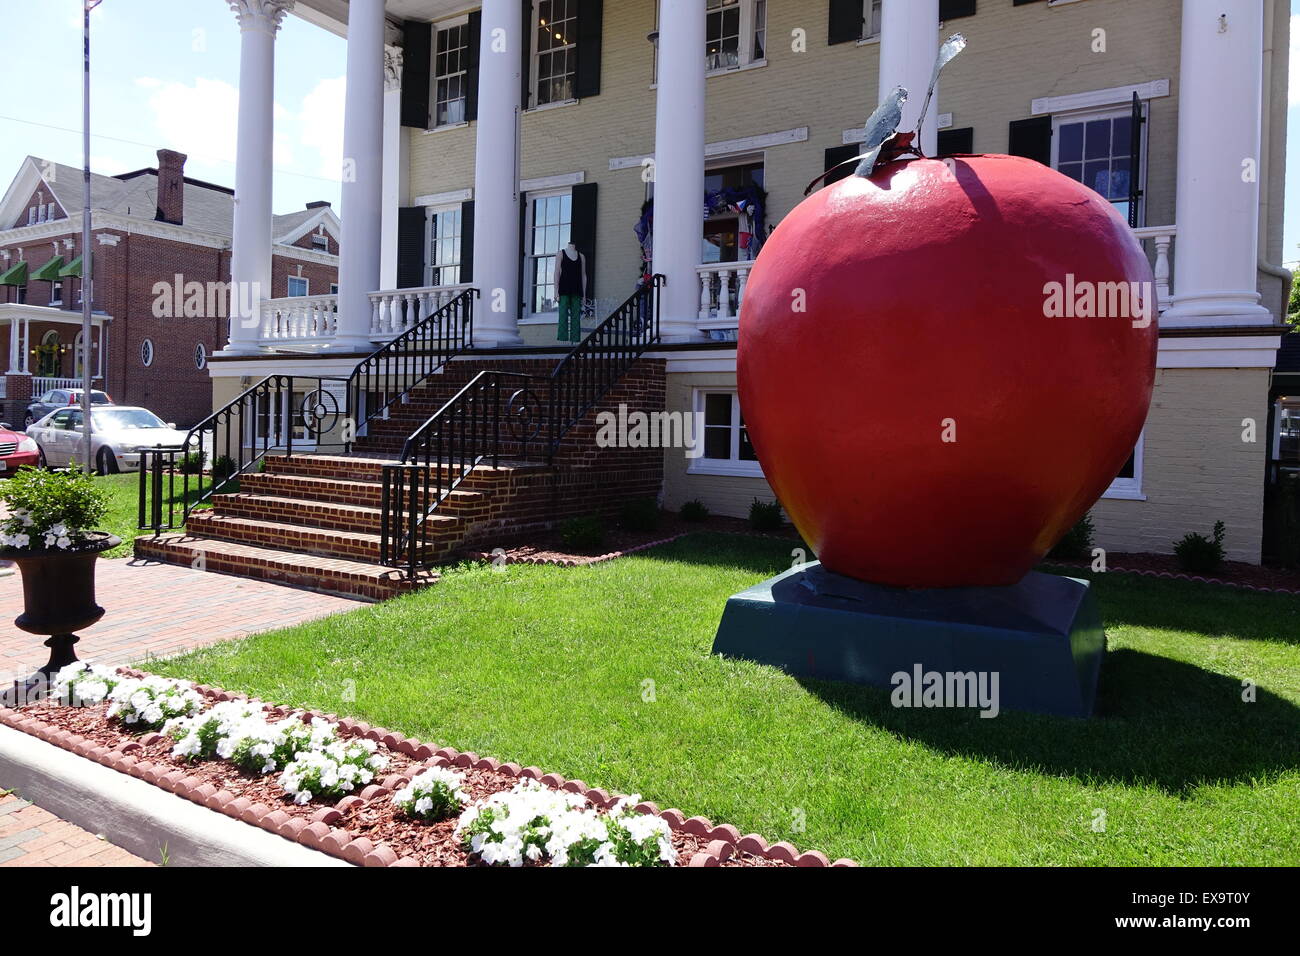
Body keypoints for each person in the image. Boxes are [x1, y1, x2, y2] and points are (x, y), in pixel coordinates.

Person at [554, 242, 587, 343]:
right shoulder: (561, 253)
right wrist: (556, 291)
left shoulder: (581, 256)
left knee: (576, 317)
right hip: (563, 289)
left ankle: (575, 340)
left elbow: (583, 275)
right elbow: (557, 272)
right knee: (563, 315)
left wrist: (584, 295)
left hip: (576, 290)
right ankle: (562, 340)